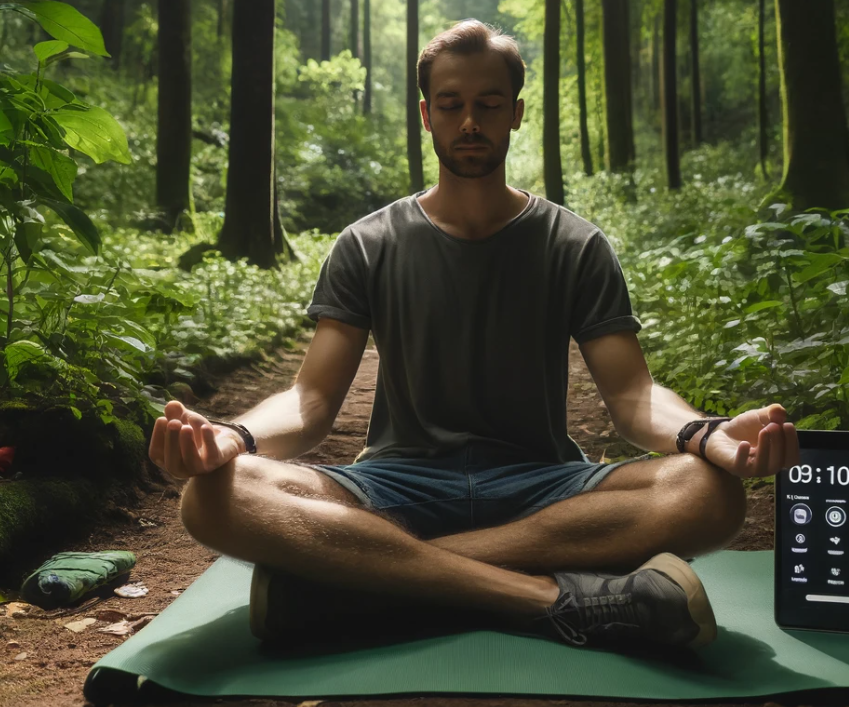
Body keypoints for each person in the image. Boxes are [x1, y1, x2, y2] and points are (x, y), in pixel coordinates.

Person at [149, 19, 800, 654]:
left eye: (488, 104)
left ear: (515, 114)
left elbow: (632, 397)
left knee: (710, 492)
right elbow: (310, 401)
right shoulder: (365, 244)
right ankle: (549, 600)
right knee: (212, 497)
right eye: (451, 105)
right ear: (426, 114)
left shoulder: (575, 244)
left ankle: (363, 584)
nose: (469, 122)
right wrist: (229, 437)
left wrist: (705, 434)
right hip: (393, 486)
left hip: (543, 487)